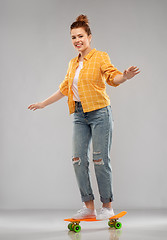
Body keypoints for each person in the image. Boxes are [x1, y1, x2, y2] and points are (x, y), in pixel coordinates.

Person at [28, 14, 140, 220]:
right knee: (78, 160)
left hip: (100, 113)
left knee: (100, 160)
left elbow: (112, 77)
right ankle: (88, 207)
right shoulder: (72, 63)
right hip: (80, 115)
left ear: (89, 37)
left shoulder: (100, 56)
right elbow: (64, 89)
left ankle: (107, 206)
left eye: (80, 36)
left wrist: (125, 76)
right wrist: (42, 103)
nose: (77, 40)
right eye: (73, 37)